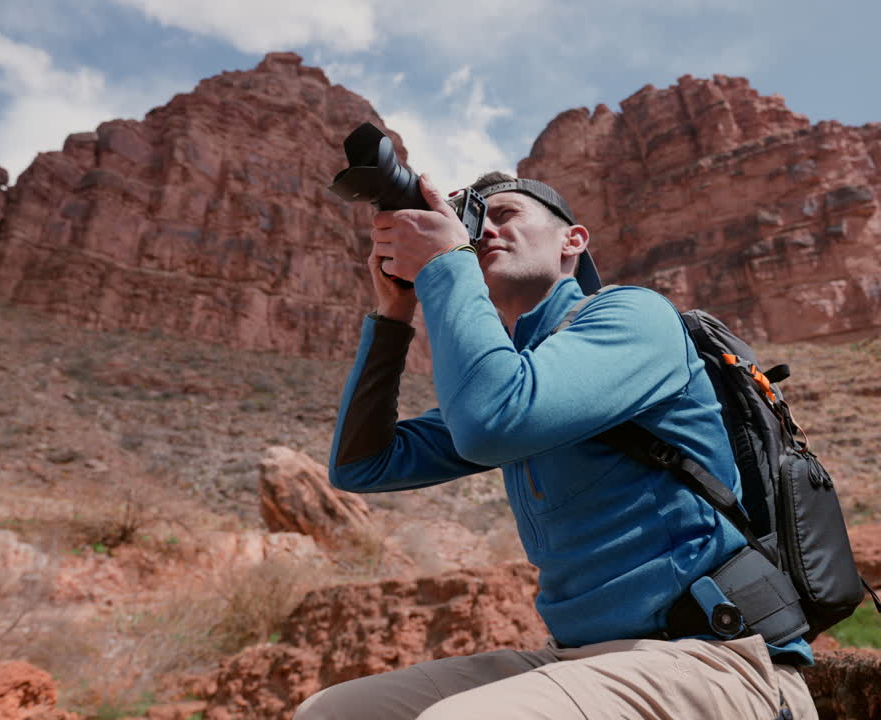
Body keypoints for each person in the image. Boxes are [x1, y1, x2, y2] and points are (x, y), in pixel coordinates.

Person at [296, 171, 818, 719]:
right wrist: (394, 312)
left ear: (573, 241)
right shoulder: (520, 380)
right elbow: (363, 464)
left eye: (507, 215)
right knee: (329, 713)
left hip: (715, 659)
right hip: (576, 660)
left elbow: (492, 421)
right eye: (476, 223)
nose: (485, 231)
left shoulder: (633, 317)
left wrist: (444, 262)